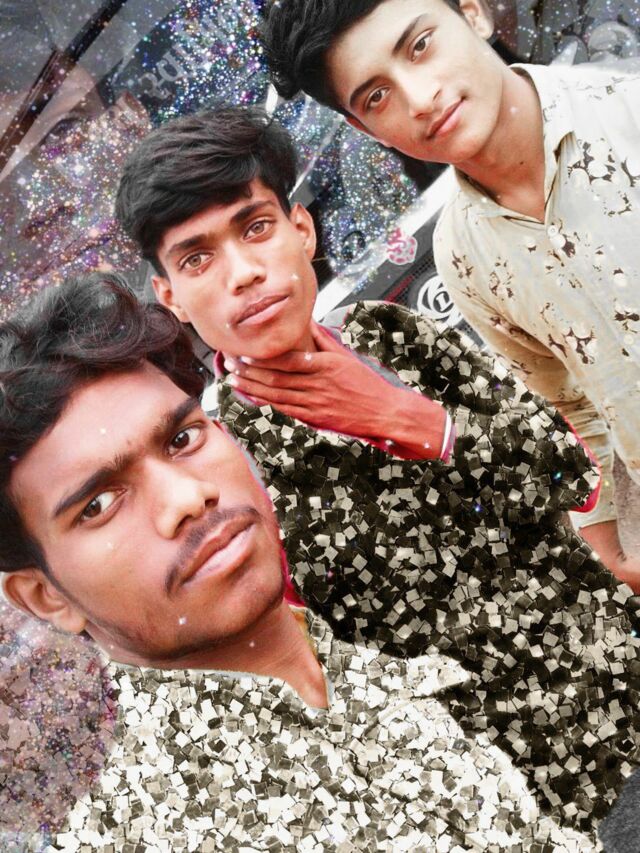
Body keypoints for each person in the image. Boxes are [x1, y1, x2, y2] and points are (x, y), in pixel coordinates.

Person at [1, 273, 639, 848]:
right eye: (99, 504)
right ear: (43, 596)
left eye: (182, 439)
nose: (187, 498)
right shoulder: (152, 827)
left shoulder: (371, 671)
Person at [260, 0, 640, 588]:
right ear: (364, 130)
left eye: (420, 46)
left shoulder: (627, 111)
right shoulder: (463, 256)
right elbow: (575, 411)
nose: (419, 98)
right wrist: (615, 558)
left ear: (473, 13)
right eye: (376, 97)